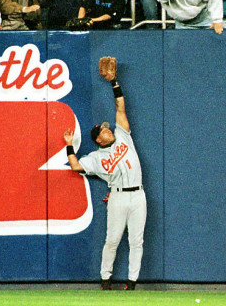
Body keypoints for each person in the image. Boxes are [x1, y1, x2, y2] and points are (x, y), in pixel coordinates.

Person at [63, 58, 147, 291]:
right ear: (99, 139)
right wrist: (69, 145)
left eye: (107, 126)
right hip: (118, 197)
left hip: (138, 194)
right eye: (103, 129)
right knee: (112, 240)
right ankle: (105, 279)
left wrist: (114, 83)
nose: (108, 128)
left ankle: (132, 282)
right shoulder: (96, 158)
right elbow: (76, 166)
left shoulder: (123, 135)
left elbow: (120, 106)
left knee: (136, 241)